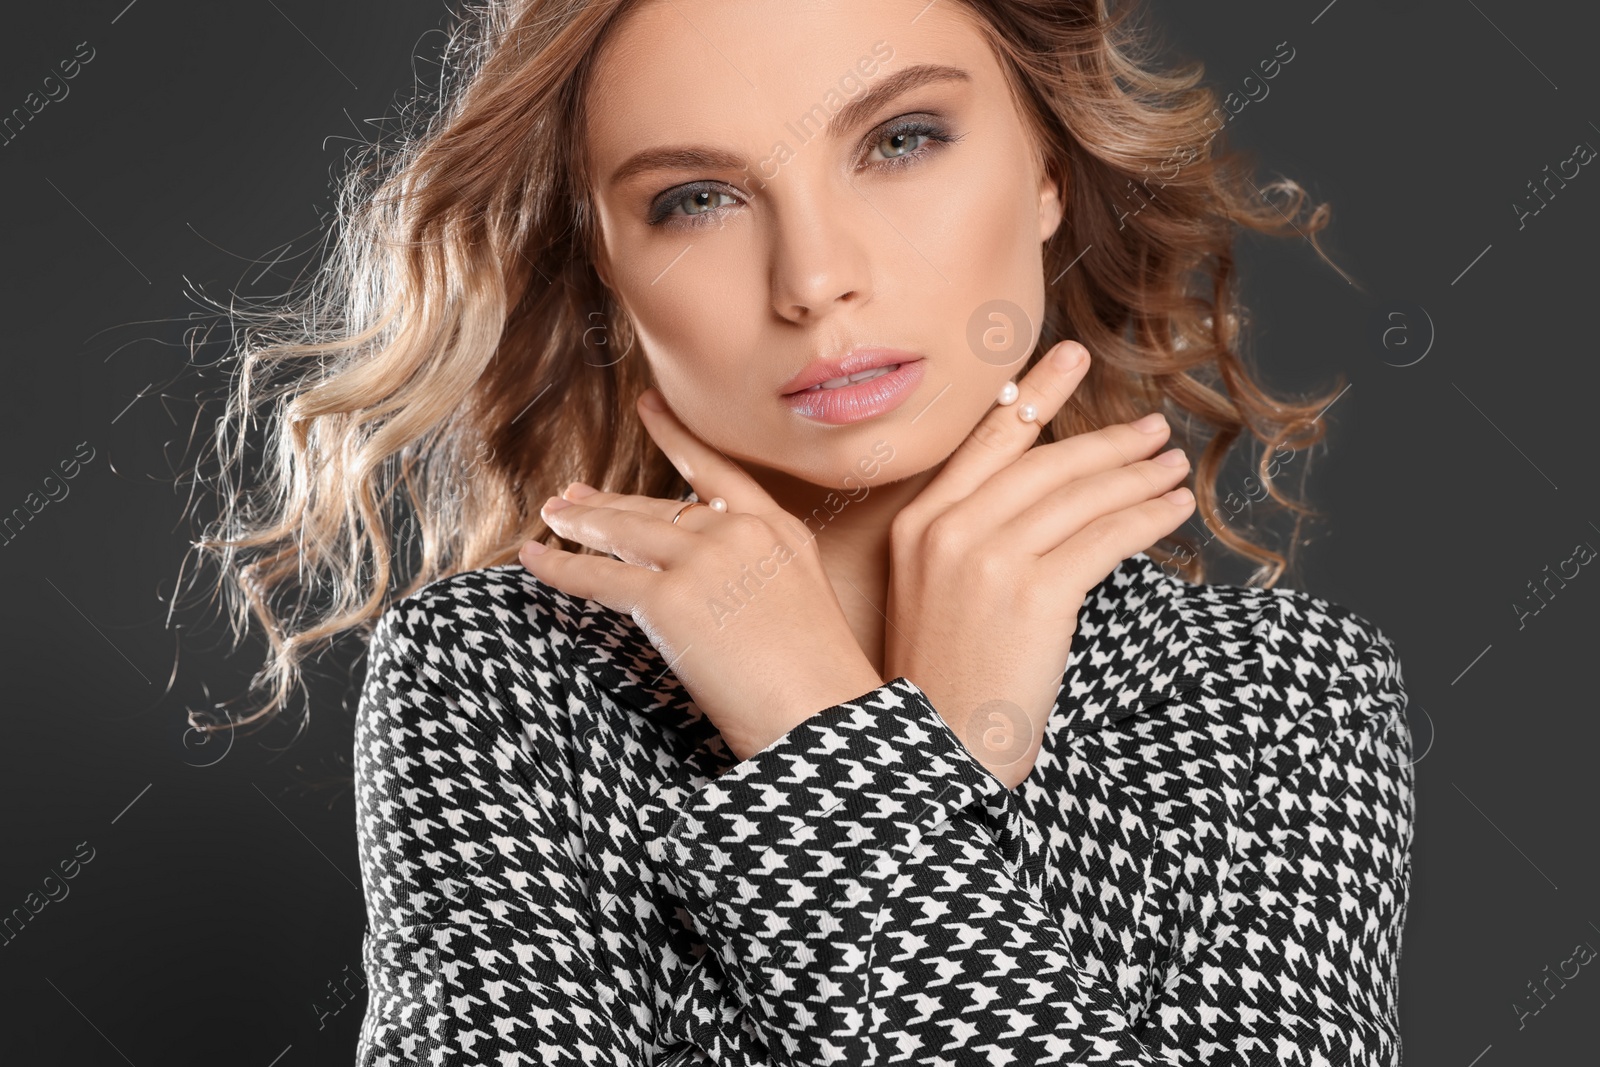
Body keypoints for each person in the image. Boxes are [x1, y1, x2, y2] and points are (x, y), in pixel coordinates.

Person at [192, 1, 1414, 1063]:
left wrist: (829, 736)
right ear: (604, 264)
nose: (814, 277)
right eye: (698, 199)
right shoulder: (499, 677)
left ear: (1046, 166)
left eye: (900, 139)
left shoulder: (1276, 692)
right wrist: (918, 765)